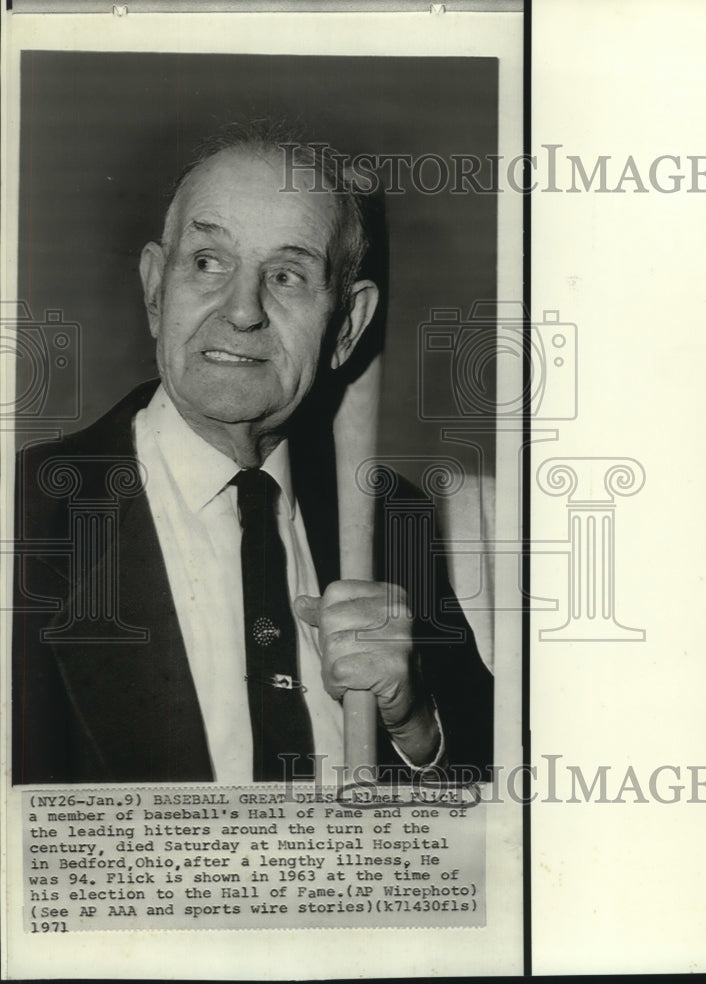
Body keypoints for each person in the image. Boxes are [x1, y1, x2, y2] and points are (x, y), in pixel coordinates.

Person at [12, 120, 493, 785]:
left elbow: (503, 830)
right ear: (157, 287)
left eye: (289, 276)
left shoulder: (395, 521)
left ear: (346, 326)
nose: (242, 311)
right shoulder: (27, 514)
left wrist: (416, 727)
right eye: (208, 262)